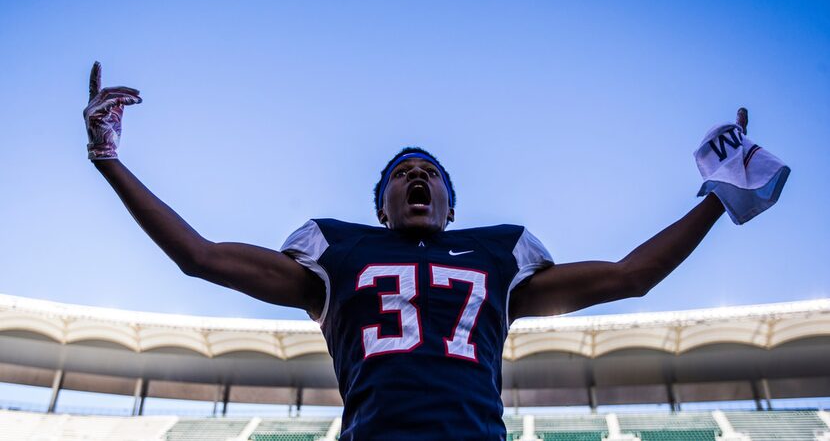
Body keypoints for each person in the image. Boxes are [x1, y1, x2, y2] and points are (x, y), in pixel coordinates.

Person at [83, 62, 784, 441]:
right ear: (379, 205)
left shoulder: (497, 256)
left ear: (452, 204)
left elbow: (632, 276)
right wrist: (109, 158)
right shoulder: (336, 252)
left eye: (431, 174)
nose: (416, 176)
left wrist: (717, 197)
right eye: (401, 174)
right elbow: (199, 256)